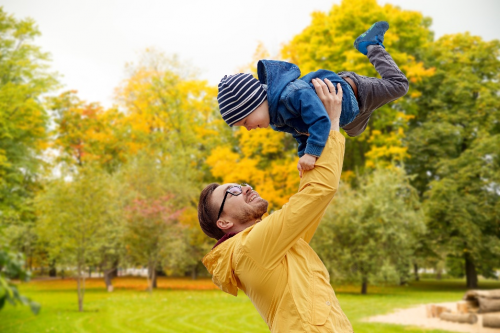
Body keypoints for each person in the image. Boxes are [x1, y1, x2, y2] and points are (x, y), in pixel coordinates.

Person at [198, 79, 353, 332]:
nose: (245, 187)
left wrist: (311, 144)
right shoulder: (250, 248)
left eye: (241, 183)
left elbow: (312, 197)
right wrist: (332, 124)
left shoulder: (275, 245)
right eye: (233, 191)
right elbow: (319, 192)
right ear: (224, 223)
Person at [217, 21, 408, 177]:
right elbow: (302, 134)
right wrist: (305, 159)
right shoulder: (276, 119)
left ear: (255, 102)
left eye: (245, 122)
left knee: (399, 85)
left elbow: (319, 120)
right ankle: (374, 104)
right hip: (351, 116)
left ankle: (371, 45)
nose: (248, 128)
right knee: (354, 133)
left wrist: (311, 153)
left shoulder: (292, 94)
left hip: (357, 93)